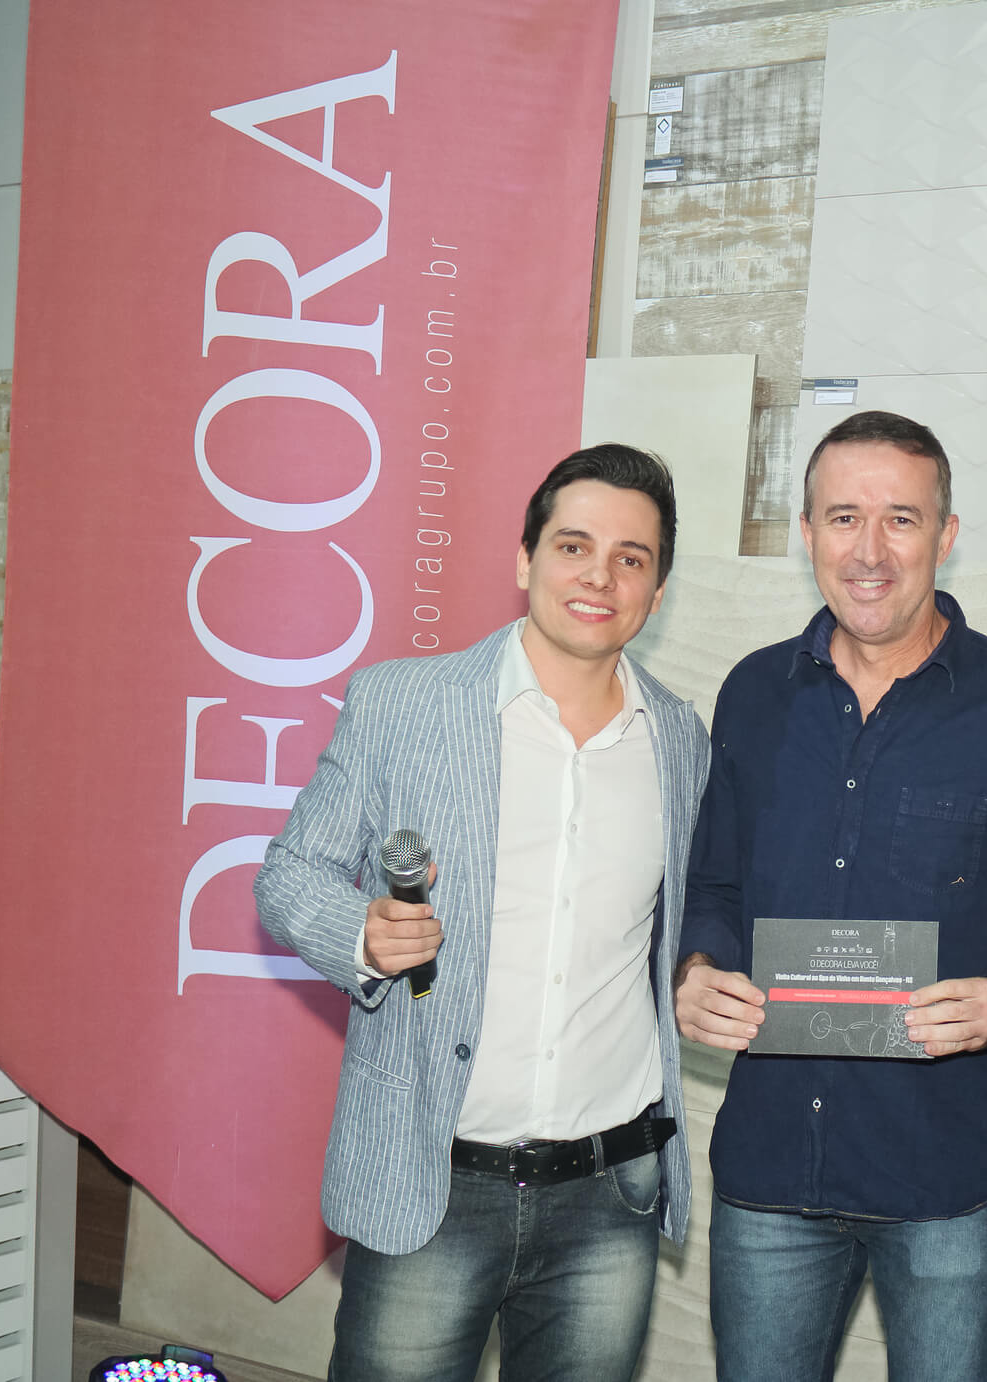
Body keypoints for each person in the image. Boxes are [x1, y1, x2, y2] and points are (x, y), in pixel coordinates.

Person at [255, 445, 710, 1382]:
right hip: (433, 1180)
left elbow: (684, 928)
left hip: (610, 1195)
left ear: (657, 592)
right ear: (525, 559)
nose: (599, 576)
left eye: (630, 558)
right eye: (574, 546)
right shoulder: (401, 704)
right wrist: (360, 934)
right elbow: (290, 873)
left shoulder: (680, 741)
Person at [673, 410, 987, 1382]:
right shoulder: (752, 695)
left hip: (953, 1171)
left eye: (901, 519)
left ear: (945, 535)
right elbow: (715, 885)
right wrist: (696, 970)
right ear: (807, 532)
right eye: (843, 518)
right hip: (773, 1163)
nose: (869, 551)